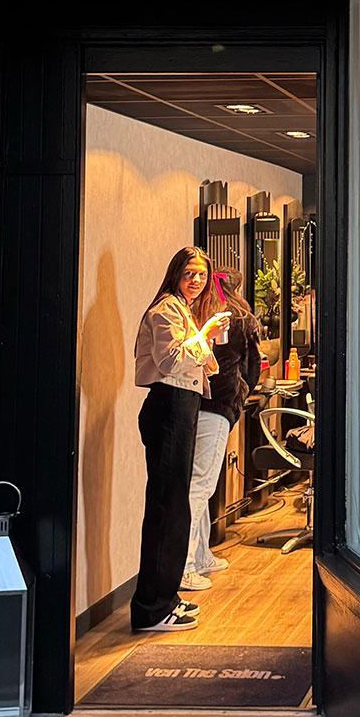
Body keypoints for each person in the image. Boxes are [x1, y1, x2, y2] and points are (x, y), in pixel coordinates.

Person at [130, 246, 229, 633]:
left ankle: (166, 598)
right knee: (166, 507)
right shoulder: (164, 309)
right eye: (190, 273)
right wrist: (205, 333)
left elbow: (201, 364)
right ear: (175, 273)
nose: (197, 280)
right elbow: (170, 361)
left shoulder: (182, 310)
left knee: (175, 508)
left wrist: (209, 336)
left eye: (202, 275)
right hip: (169, 407)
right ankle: (151, 609)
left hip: (183, 407)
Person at [180, 268, 262, 593]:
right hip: (219, 405)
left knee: (196, 481)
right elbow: (252, 367)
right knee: (201, 486)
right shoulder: (239, 319)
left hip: (191, 404)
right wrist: (241, 394)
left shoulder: (195, 316)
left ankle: (201, 556)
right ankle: (184, 566)